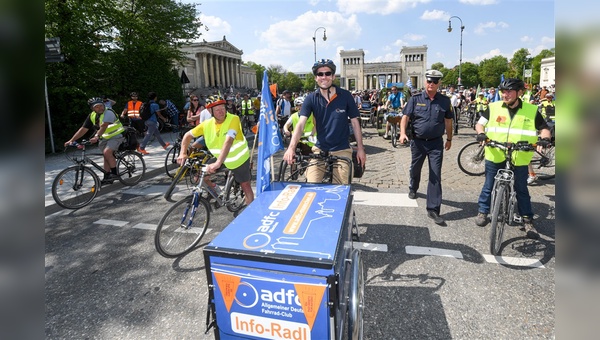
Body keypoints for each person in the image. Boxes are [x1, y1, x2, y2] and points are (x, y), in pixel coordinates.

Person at [474, 78, 552, 239]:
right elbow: (480, 124)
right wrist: (481, 133)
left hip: (520, 155)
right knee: (488, 185)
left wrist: (544, 139)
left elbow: (544, 128)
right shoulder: (493, 107)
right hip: (496, 152)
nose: (505, 94)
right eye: (503, 91)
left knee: (521, 188)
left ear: (520, 93)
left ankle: (527, 219)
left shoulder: (531, 110)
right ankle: (483, 211)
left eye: (509, 91)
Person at [283, 58, 366, 184]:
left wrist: (360, 149)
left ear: (333, 76)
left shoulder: (345, 96)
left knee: (341, 189)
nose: (324, 77)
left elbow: (355, 123)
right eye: (320, 74)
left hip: (342, 148)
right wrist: (291, 148)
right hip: (320, 149)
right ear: (316, 78)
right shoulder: (311, 98)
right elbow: (300, 124)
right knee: (311, 185)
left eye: (327, 73)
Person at [398, 69, 454, 226]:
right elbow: (405, 117)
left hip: (436, 143)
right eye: (429, 81)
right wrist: (402, 133)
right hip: (418, 142)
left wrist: (449, 139)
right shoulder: (415, 99)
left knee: (435, 174)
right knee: (415, 169)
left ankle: (433, 209)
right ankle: (413, 187)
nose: (432, 84)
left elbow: (448, 121)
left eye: (435, 82)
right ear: (425, 82)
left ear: (439, 84)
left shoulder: (444, 101)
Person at [177, 97, 254, 205]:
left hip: (238, 159)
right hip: (221, 158)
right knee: (198, 178)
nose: (221, 111)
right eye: (217, 109)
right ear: (210, 111)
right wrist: (183, 153)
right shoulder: (206, 124)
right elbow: (187, 135)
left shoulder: (234, 119)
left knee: (245, 185)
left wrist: (217, 164)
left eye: (223, 107)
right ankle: (216, 190)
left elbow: (228, 141)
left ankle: (251, 212)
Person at [65, 97, 125, 185]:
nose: (100, 108)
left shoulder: (108, 112)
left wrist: (96, 137)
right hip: (104, 137)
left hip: (117, 135)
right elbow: (83, 129)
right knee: (106, 156)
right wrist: (71, 140)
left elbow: (104, 126)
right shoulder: (92, 115)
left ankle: (114, 174)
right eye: (97, 107)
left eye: (101, 105)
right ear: (92, 108)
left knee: (107, 152)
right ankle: (107, 178)